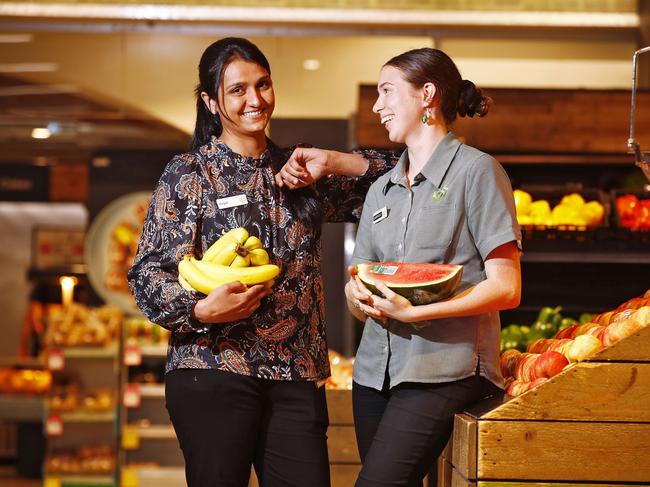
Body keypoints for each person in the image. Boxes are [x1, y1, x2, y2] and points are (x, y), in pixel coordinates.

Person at [127, 37, 395, 487]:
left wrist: (332, 160)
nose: (256, 99)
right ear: (211, 102)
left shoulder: (301, 171)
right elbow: (147, 272)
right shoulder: (190, 174)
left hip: (296, 373)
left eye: (263, 84)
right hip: (212, 368)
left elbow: (408, 171)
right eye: (238, 90)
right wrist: (198, 309)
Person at [343, 48, 522, 487]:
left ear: (427, 95)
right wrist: (356, 297)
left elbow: (507, 287)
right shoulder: (381, 190)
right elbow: (358, 281)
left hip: (444, 369)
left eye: (387, 92)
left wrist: (418, 313)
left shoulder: (477, 172)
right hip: (372, 372)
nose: (376, 105)